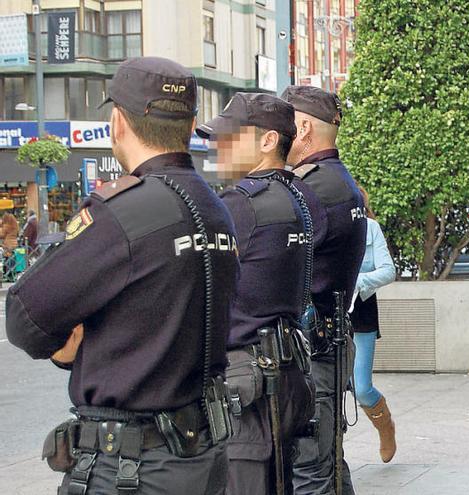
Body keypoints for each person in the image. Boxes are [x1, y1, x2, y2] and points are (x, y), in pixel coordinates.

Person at [5, 57, 239, 495]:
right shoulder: (216, 208)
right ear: (190, 127)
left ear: (117, 123)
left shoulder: (122, 212)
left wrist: (65, 350)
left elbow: (23, 316)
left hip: (132, 466)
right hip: (200, 454)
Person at [195, 92, 316, 495]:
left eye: (229, 137)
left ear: (267, 141)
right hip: (286, 373)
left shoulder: (242, 203)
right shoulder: (299, 196)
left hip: (249, 383)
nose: (217, 147)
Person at [282, 85, 367, 495]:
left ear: (301, 128)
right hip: (326, 344)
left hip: (314, 350)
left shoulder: (312, 188)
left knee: (310, 472)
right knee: (326, 465)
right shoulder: (335, 181)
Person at [350, 185, 398, 462]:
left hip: (362, 309)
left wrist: (357, 282)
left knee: (362, 386)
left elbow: (388, 270)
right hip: (326, 312)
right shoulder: (322, 226)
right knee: (331, 386)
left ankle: (386, 427)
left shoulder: (370, 228)